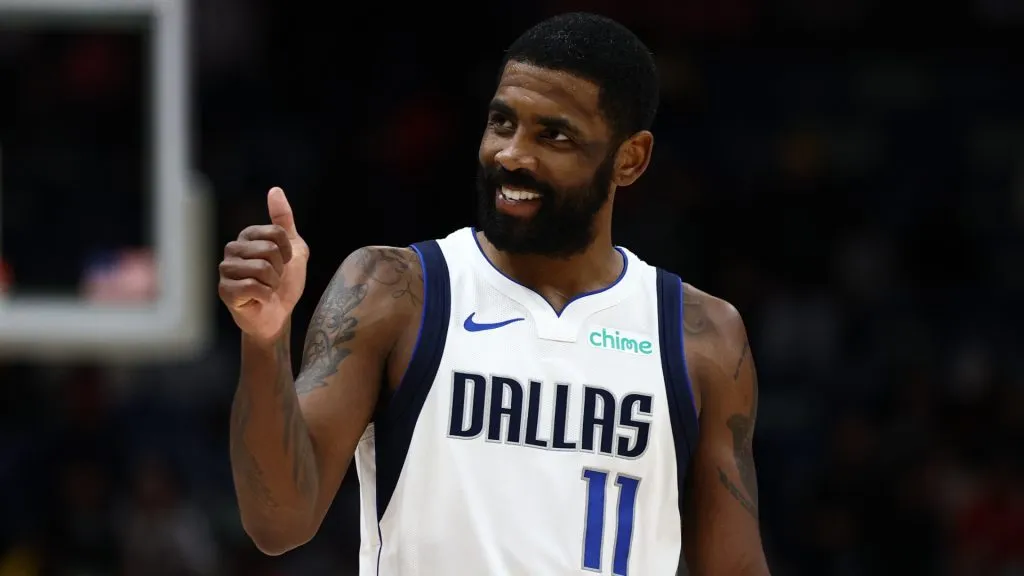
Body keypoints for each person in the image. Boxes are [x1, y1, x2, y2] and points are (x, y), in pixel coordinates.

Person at [218, 12, 770, 576]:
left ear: (629, 159)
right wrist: (265, 339)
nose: (512, 154)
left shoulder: (700, 336)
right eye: (502, 123)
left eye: (553, 135)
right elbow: (278, 523)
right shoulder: (396, 291)